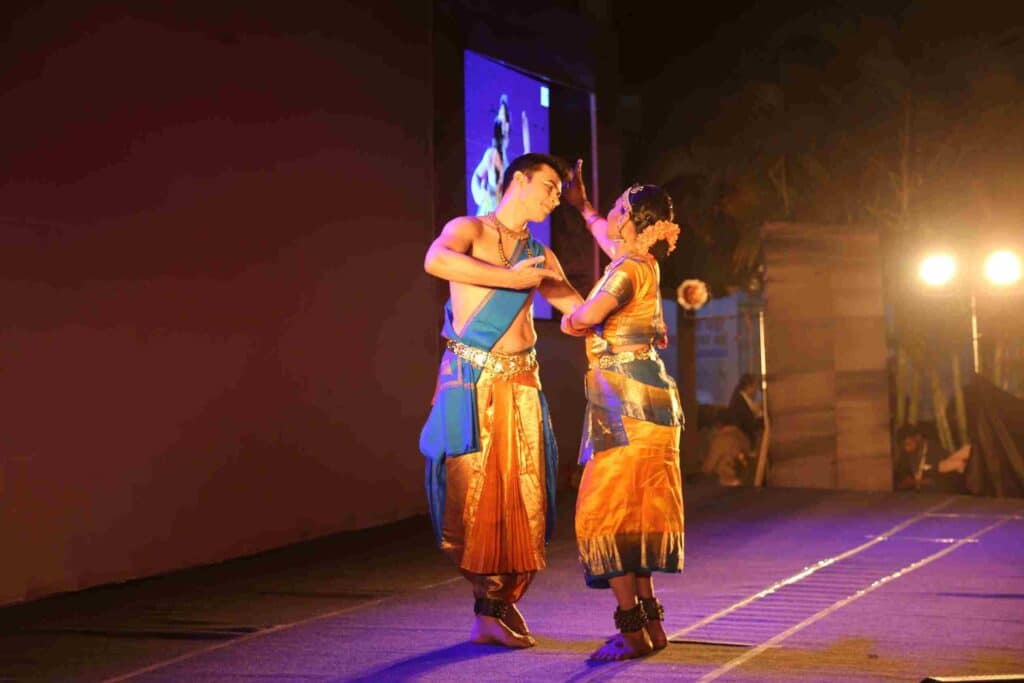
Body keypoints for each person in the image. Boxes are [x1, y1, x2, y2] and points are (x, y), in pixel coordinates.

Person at [420, 153, 583, 648]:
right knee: (474, 497)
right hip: (475, 384)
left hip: (523, 386)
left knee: (524, 498)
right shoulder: (468, 229)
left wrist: (631, 300)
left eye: (559, 191)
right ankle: (487, 607)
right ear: (519, 179)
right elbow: (436, 260)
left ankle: (498, 607)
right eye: (550, 186)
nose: (555, 197)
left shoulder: (541, 254)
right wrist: (512, 280)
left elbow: (577, 312)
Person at [561, 159, 685, 660]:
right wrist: (585, 207)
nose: (610, 215)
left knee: (606, 510)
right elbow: (606, 240)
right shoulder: (645, 264)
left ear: (635, 221)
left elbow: (585, 317)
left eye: (616, 208)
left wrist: (567, 315)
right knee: (642, 512)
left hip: (624, 403)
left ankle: (631, 632)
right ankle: (651, 625)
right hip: (654, 403)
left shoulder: (626, 270)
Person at [470, 95, 531, 216]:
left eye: (506, 122)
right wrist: (481, 195)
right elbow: (476, 175)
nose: (504, 125)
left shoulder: (508, 162)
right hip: (490, 211)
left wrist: (525, 130)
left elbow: (527, 159)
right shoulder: (491, 154)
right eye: (501, 120)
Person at [894, 424, 970, 493]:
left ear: (918, 437)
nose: (906, 449)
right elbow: (900, 482)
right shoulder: (906, 455)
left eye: (908, 444)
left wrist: (915, 482)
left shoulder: (936, 451)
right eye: (904, 446)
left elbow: (942, 482)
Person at [726, 373, 763, 446]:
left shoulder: (741, 400)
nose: (756, 390)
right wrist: (759, 415)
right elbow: (750, 425)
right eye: (755, 387)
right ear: (748, 387)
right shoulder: (740, 403)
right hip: (743, 443)